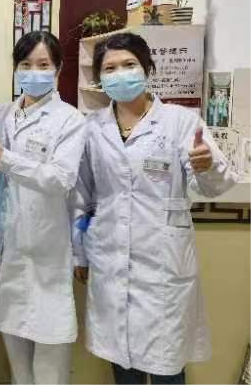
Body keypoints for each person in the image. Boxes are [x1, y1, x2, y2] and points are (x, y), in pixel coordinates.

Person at [73, 32, 238, 385]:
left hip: (163, 263)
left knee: (167, 366)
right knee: (122, 363)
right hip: (109, 257)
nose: (120, 73)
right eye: (110, 68)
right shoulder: (92, 128)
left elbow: (212, 187)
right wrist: (80, 254)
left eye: (129, 64)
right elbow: (82, 196)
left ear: (147, 68)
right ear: (100, 78)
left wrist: (206, 165)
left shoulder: (180, 122)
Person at [0, 31, 85, 385]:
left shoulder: (69, 120)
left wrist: (6, 160)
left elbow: (61, 179)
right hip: (9, 250)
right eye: (25, 65)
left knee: (50, 363)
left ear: (58, 68)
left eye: (43, 65)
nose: (33, 72)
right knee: (18, 364)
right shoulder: (4, 114)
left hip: (46, 252)